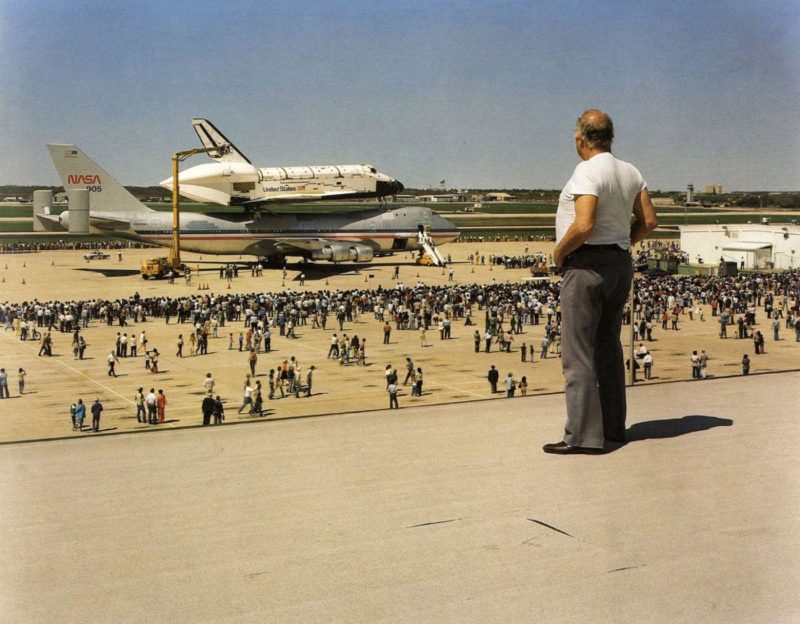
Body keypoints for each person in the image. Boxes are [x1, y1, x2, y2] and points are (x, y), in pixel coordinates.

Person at [544, 109, 657, 455]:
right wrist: (622, 243)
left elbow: (584, 224)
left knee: (578, 353)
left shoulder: (587, 170)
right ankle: (613, 428)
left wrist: (558, 254)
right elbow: (649, 221)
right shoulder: (630, 170)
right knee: (608, 347)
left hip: (587, 265)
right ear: (610, 137)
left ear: (581, 138)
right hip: (619, 263)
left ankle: (580, 436)